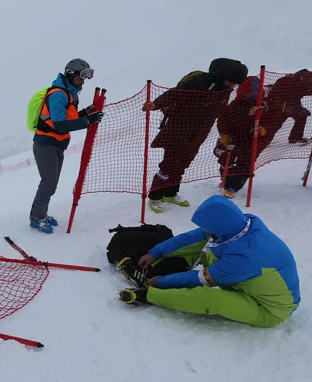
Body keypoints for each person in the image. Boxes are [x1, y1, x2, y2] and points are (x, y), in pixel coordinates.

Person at [118, 195, 300, 328]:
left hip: (267, 309)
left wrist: (161, 282)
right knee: (202, 244)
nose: (204, 230)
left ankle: (150, 294)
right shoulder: (239, 226)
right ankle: (162, 267)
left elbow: (199, 278)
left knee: (211, 298)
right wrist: (155, 253)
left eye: (207, 228)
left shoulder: (244, 258)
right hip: (241, 278)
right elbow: (189, 238)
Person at [144, 58, 248, 212]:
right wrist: (155, 104)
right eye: (231, 82)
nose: (233, 86)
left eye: (235, 83)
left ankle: (170, 194)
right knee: (169, 165)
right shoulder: (199, 83)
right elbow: (174, 94)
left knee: (183, 164)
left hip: (198, 133)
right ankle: (155, 197)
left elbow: (221, 111)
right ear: (221, 75)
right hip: (178, 130)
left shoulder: (224, 91)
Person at [28, 58, 104, 233]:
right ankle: (36, 217)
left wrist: (86, 113)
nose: (82, 82)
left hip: (58, 144)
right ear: (71, 75)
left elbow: (68, 118)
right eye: (80, 77)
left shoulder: (71, 93)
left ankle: (41, 213)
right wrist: (87, 121)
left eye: (85, 78)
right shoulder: (58, 94)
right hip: (45, 144)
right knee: (48, 183)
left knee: (51, 183)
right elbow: (59, 125)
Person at [214, 76, 265, 198]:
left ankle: (233, 186)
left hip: (247, 140)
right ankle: (225, 179)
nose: (251, 96)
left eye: (254, 93)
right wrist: (224, 135)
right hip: (231, 138)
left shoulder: (261, 107)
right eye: (249, 93)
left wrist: (260, 130)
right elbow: (222, 121)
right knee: (226, 161)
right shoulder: (233, 106)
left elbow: (267, 122)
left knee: (246, 163)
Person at [265, 68, 312, 145]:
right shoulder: (304, 79)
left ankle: (264, 137)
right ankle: (295, 138)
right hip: (286, 103)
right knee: (301, 115)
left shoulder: (290, 77)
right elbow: (308, 89)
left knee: (276, 123)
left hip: (281, 102)